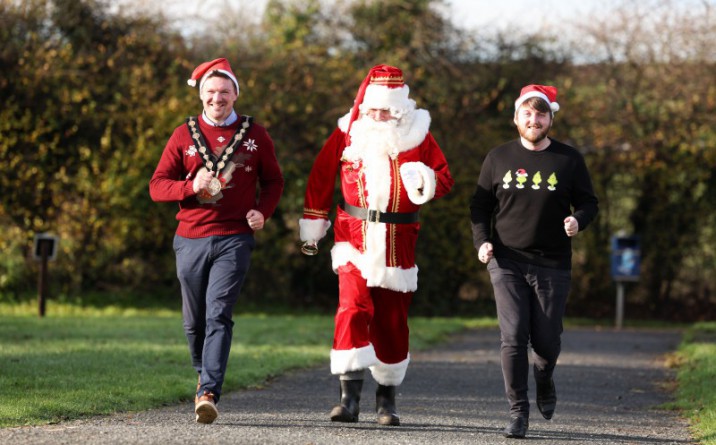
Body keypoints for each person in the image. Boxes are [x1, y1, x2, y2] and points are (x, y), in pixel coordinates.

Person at [299, 64, 454, 426]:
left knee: (392, 320)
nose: (379, 116)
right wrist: (313, 223)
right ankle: (348, 398)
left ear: (400, 110)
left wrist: (424, 179)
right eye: (373, 109)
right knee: (352, 308)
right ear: (365, 107)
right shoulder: (347, 133)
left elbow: (445, 180)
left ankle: (386, 400)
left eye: (386, 110)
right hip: (353, 237)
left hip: (399, 243)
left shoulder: (419, 137)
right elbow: (321, 176)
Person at [149, 57, 284, 424]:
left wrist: (263, 211)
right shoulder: (183, 134)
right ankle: (201, 373)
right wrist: (190, 186)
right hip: (190, 236)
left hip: (234, 237)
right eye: (210, 91)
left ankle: (209, 391)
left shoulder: (256, 134)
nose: (217, 97)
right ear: (201, 96)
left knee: (218, 314)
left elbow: (273, 181)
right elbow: (157, 186)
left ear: (236, 94)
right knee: (194, 322)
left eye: (224, 91)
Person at [469, 84, 598, 438]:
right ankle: (518, 413)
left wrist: (578, 220)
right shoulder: (498, 158)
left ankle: (544, 376)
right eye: (527, 113)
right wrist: (483, 242)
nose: (534, 119)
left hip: (553, 263)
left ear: (550, 118)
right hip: (507, 260)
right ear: (515, 118)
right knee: (512, 337)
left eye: (541, 113)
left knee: (546, 342)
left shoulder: (569, 160)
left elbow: (589, 202)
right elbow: (480, 207)